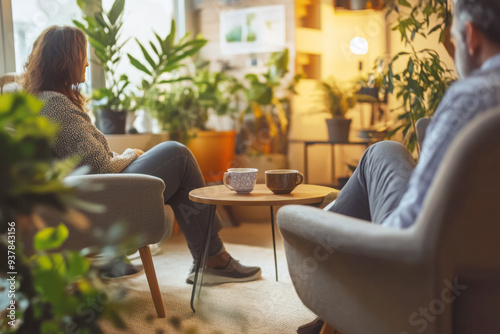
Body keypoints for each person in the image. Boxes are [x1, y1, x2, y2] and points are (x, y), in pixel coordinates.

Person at [298, 0, 500, 333]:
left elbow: (409, 228)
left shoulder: (473, 98)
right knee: (387, 150)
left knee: (381, 154)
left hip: (418, 273)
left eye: (452, 38)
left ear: (471, 35)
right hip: (482, 268)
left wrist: (318, 228)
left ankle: (336, 301)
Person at [21, 25, 261, 284]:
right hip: (101, 199)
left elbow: (87, 160)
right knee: (177, 155)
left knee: (177, 164)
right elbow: (97, 169)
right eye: (82, 56)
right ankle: (213, 259)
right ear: (64, 60)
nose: (88, 64)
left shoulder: (45, 101)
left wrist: (126, 156)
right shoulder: (56, 105)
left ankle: (208, 258)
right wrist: (131, 153)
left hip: (92, 193)